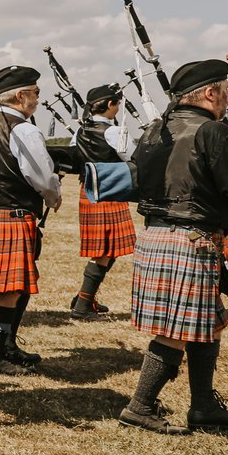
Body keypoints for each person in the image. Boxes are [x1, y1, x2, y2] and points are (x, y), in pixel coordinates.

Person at [119, 60, 228, 433]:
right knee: (175, 328)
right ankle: (140, 406)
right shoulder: (212, 131)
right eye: (226, 91)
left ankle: (203, 406)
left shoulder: (154, 129)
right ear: (210, 92)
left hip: (156, 234)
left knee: (207, 324)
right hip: (190, 237)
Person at [0, 66, 62, 375]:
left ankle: (7, 346)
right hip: (11, 212)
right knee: (9, 289)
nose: (37, 99)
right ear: (21, 95)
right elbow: (42, 175)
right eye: (35, 92)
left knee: (16, 286)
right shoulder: (23, 129)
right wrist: (52, 195)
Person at [71, 84, 137, 320]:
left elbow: (73, 156)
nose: (118, 108)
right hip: (111, 191)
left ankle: (84, 297)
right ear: (110, 104)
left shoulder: (79, 131)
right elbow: (133, 156)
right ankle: (83, 304)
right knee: (104, 251)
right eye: (117, 103)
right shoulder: (114, 132)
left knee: (108, 250)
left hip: (89, 191)